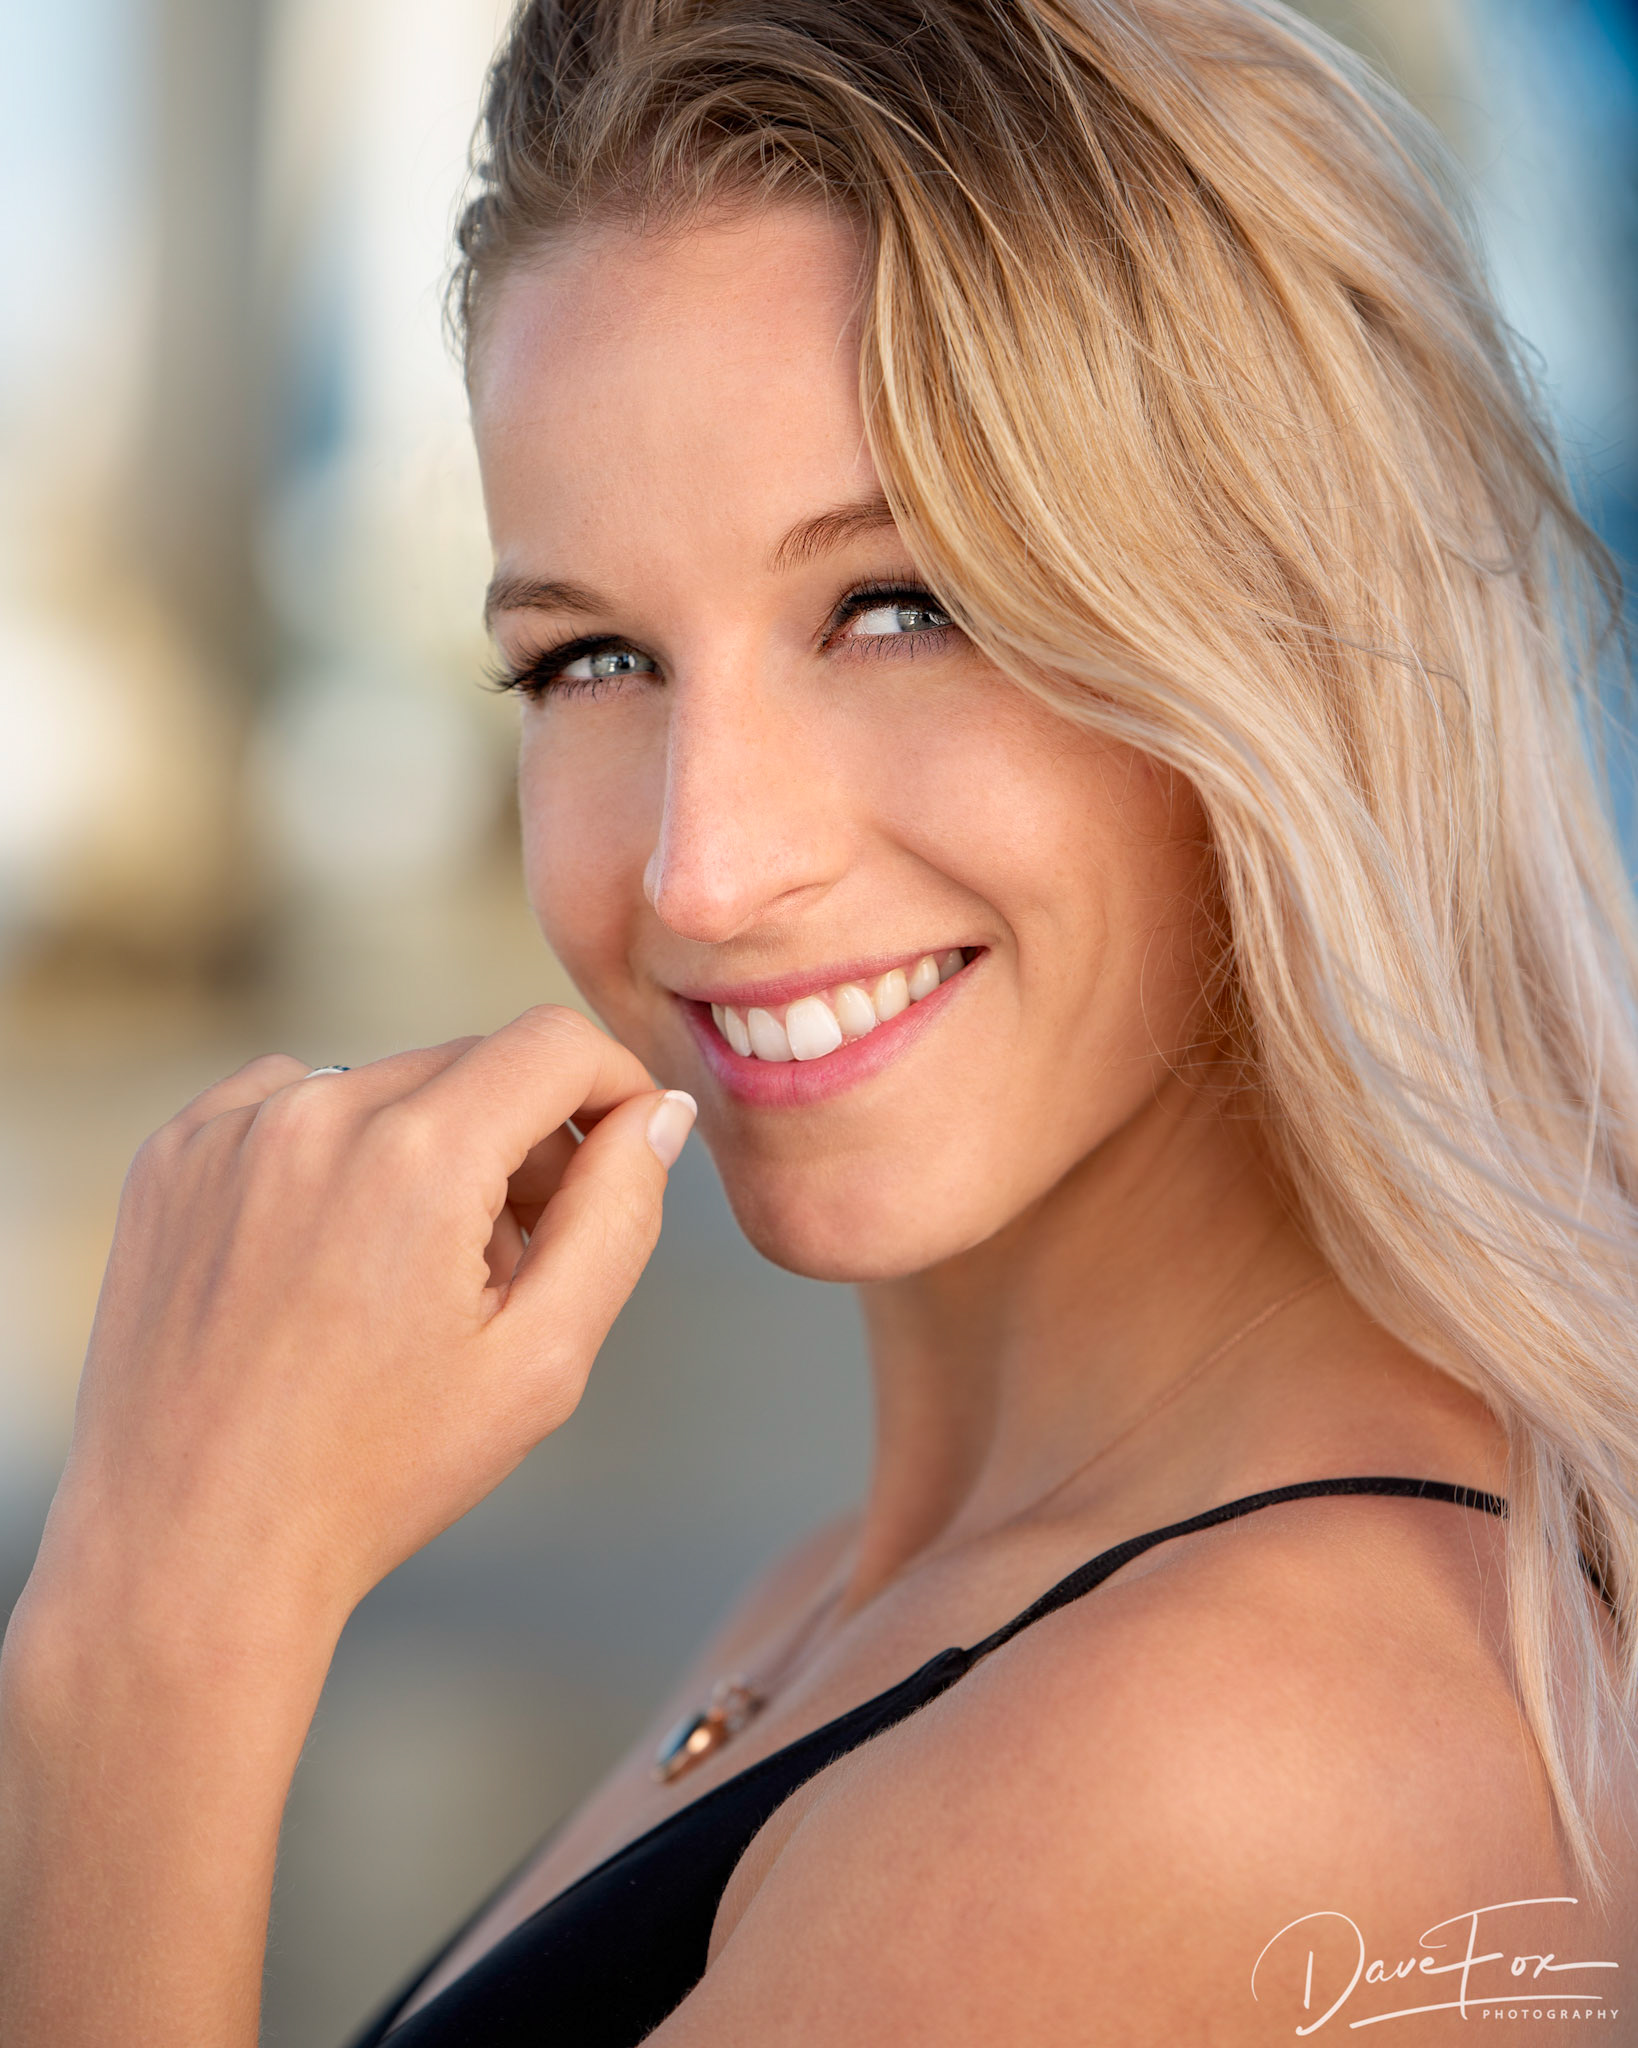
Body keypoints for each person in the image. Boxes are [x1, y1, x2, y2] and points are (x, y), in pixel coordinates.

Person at [4, 0, 1638, 2040]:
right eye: (592, 658)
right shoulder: (881, 1587)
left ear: (1273, 640)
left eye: (897, 608)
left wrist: (154, 1644)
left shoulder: (1211, 1752)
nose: (701, 871)